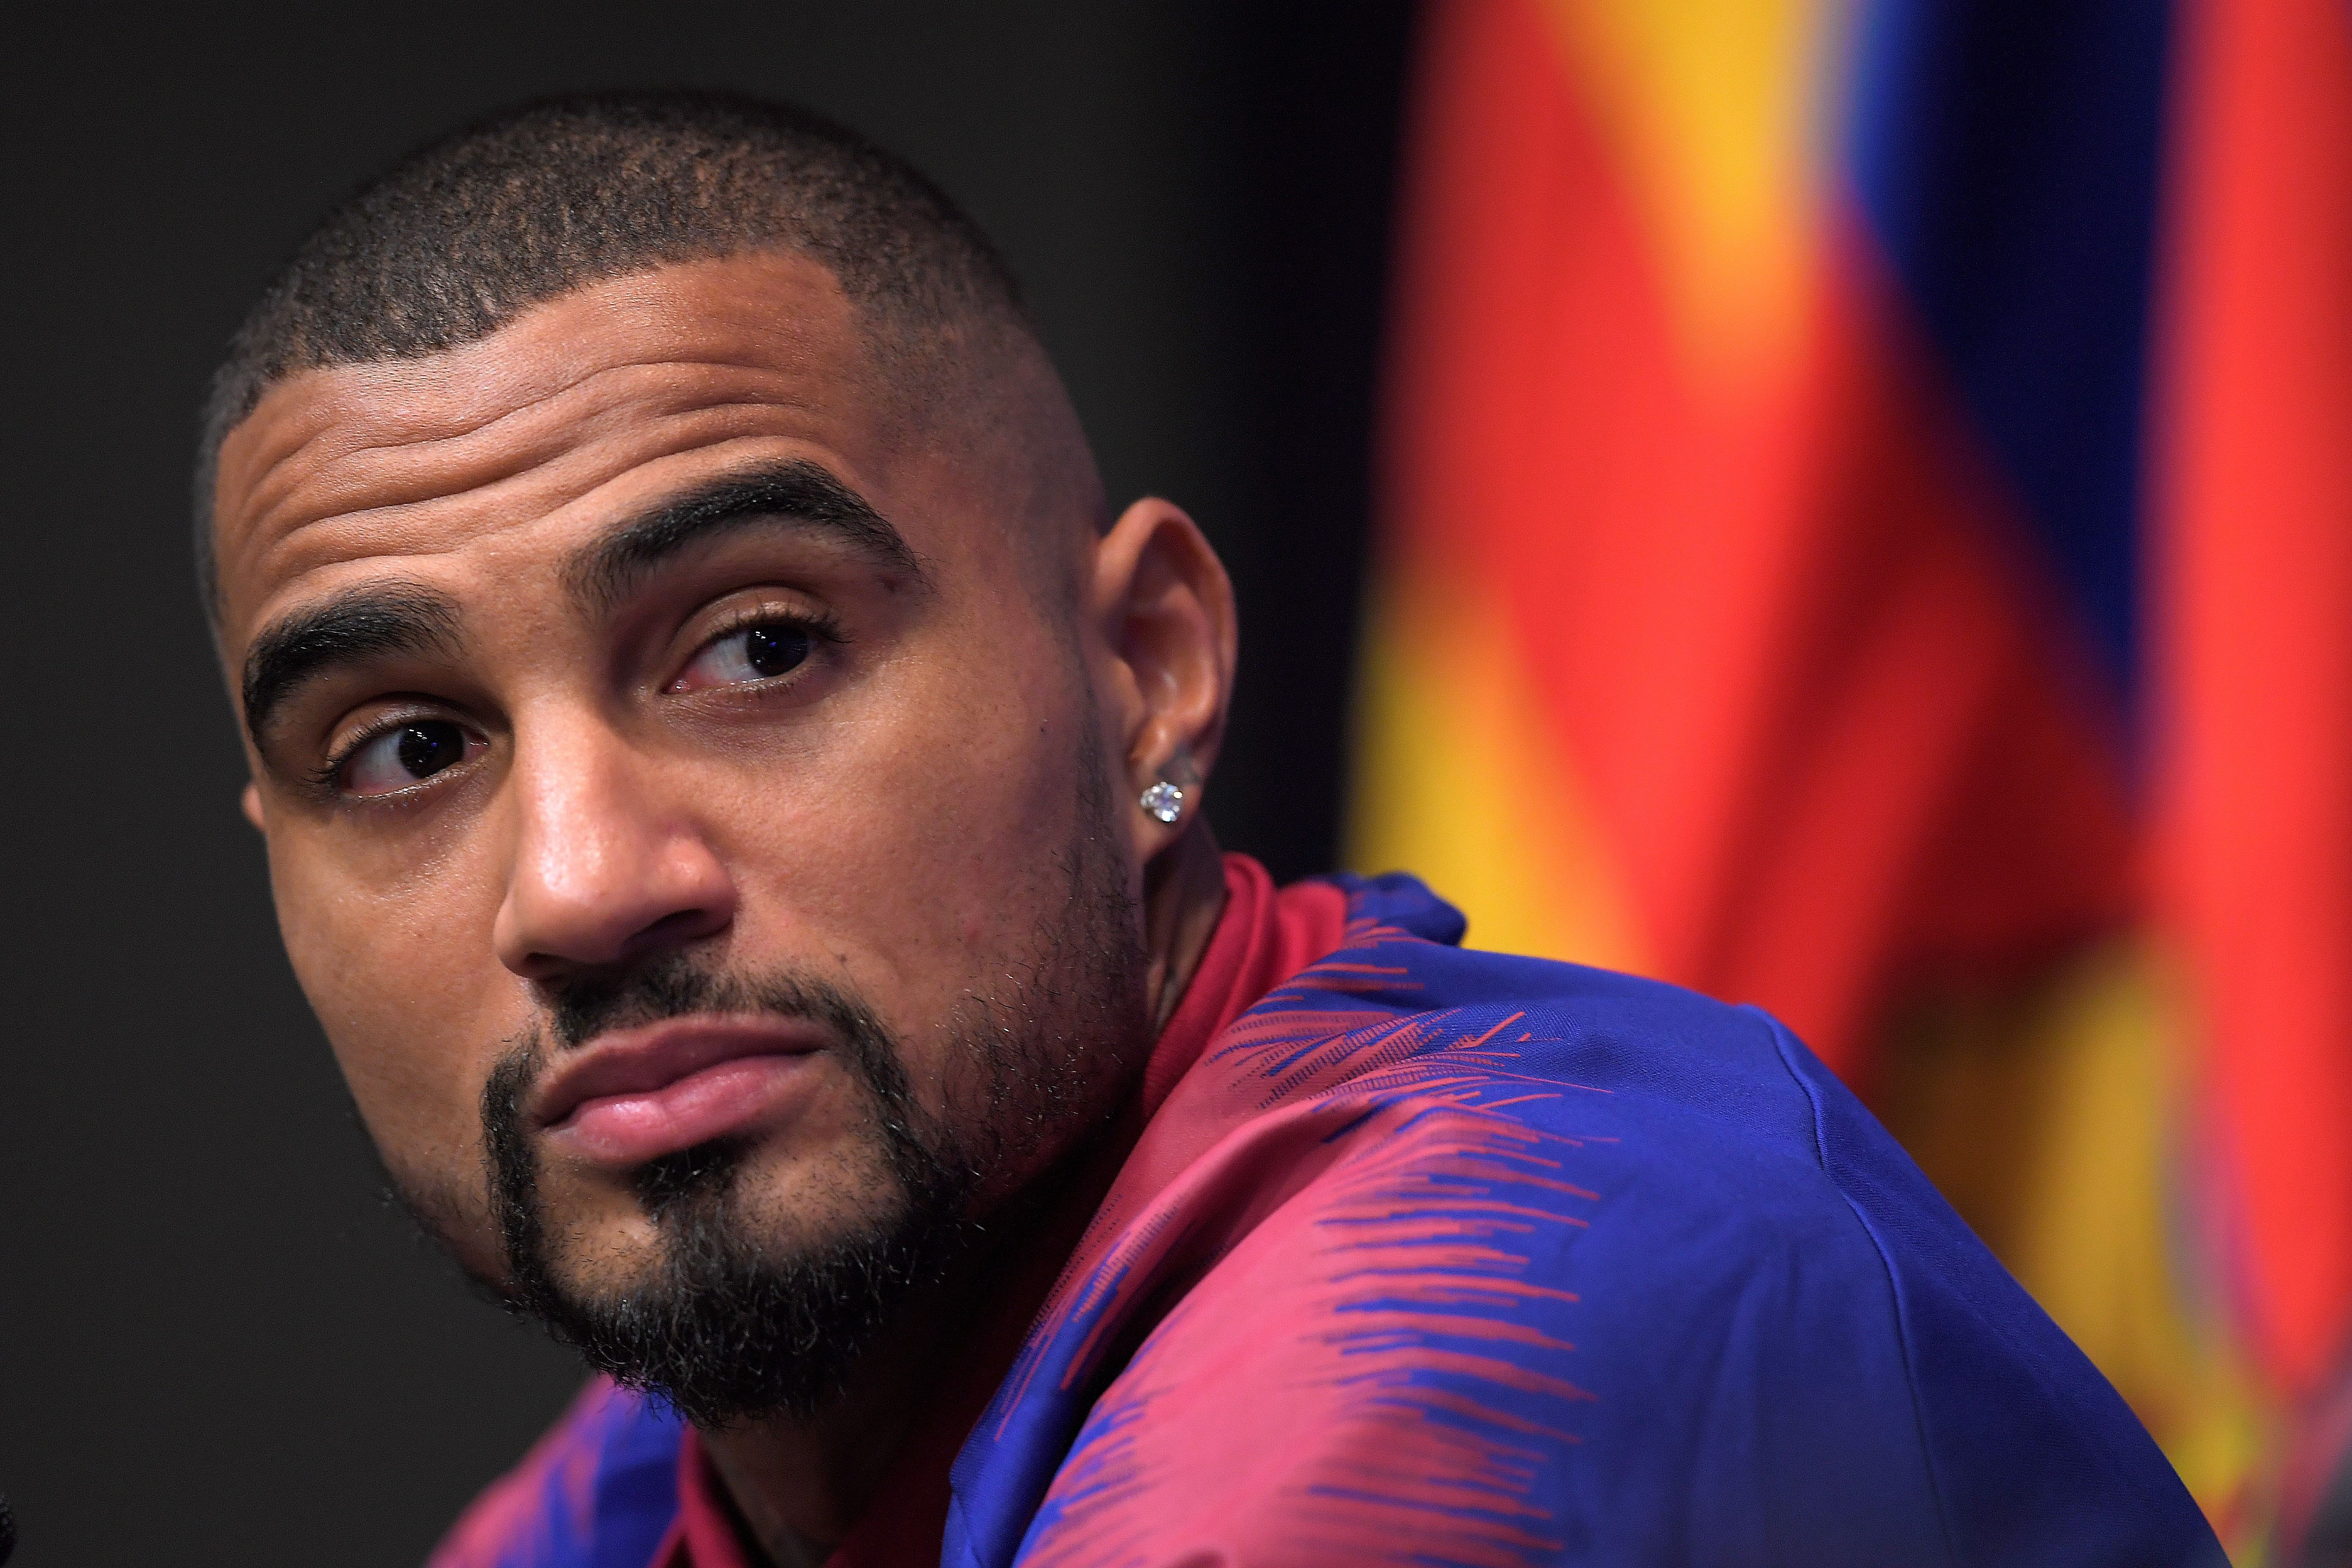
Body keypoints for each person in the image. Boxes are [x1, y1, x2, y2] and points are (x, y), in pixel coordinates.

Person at [198, 90, 2221, 1568]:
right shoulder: (656, 1486)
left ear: (1148, 669)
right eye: (401, 753)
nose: (575, 883)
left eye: (755, 644)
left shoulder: (1475, 1319)